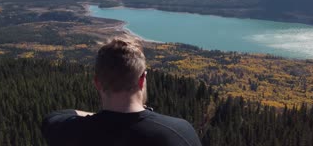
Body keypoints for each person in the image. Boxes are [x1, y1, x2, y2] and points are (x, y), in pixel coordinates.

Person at [42, 39, 202, 146]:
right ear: (142, 79)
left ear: (97, 83)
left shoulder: (67, 132)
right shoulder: (179, 133)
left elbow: (54, 117)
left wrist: (100, 116)